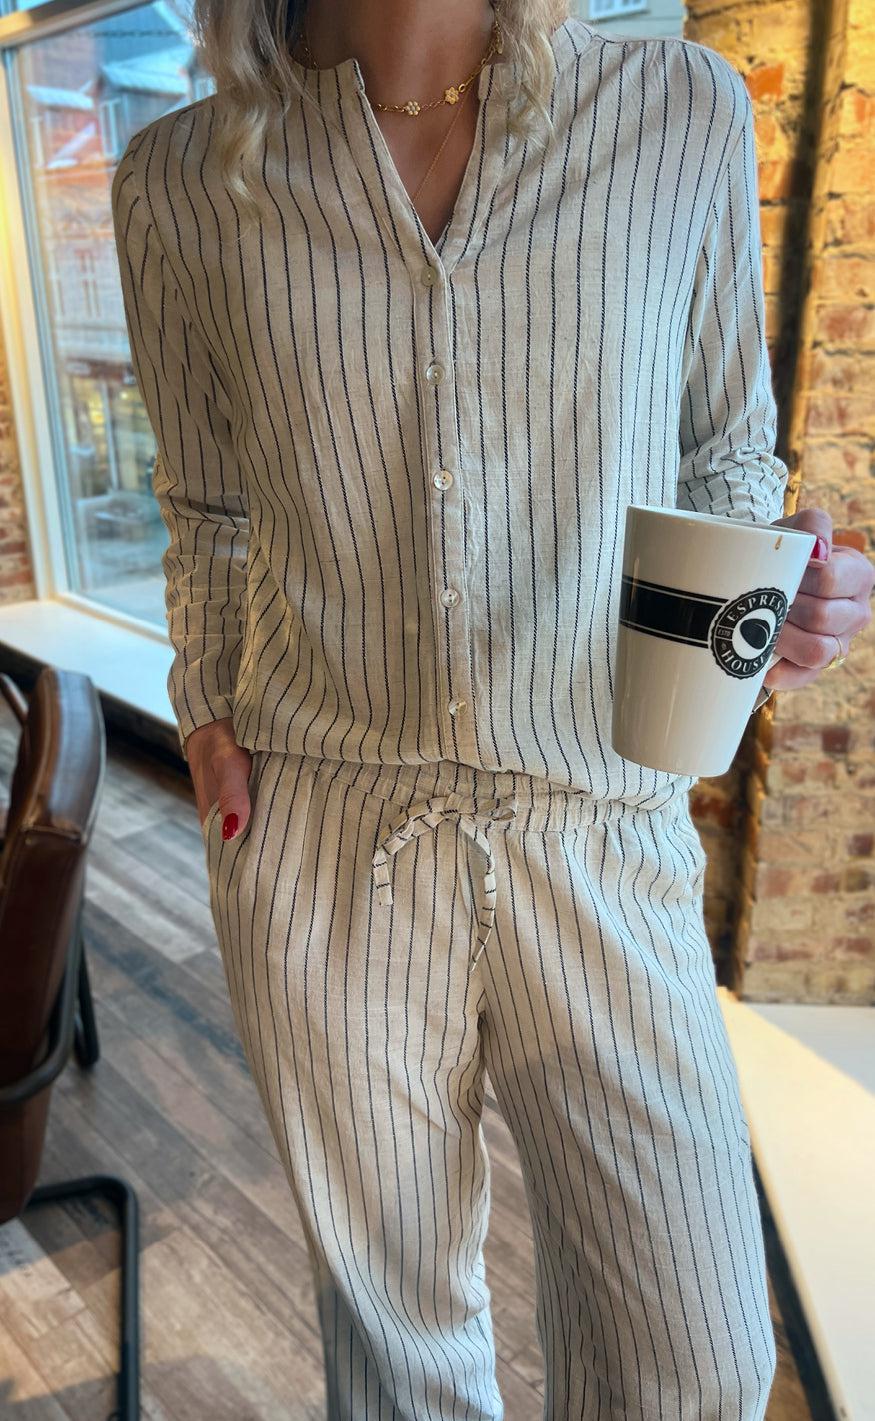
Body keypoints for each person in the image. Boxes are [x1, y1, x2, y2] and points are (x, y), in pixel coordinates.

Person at [110, 2, 871, 1416]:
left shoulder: (676, 113)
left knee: (696, 1359)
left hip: (600, 822)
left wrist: (779, 597)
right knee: (401, 1366)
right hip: (323, 840)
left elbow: (721, 456)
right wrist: (209, 705)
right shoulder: (179, 181)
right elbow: (207, 505)